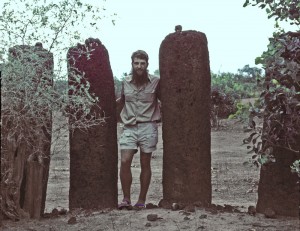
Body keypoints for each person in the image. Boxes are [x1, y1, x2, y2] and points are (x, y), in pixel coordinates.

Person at [116, 50, 161, 210]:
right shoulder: (125, 82)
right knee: (125, 161)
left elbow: (165, 100)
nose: (139, 66)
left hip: (148, 126)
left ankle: (141, 200)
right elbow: (121, 101)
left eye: (142, 63)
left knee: (145, 163)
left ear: (147, 64)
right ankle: (126, 199)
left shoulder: (156, 81)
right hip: (129, 127)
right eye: (136, 63)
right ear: (132, 64)